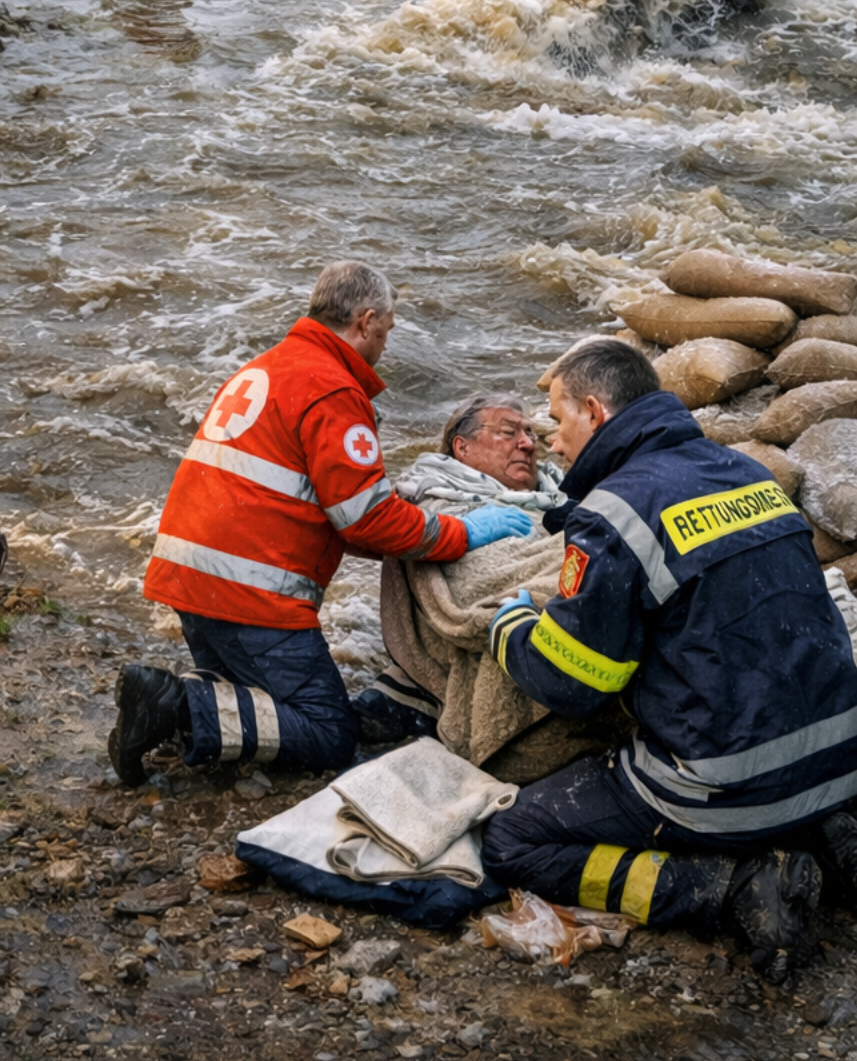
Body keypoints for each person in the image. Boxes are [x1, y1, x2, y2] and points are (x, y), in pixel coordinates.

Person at [483, 337, 857, 983]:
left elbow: (571, 683)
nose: (550, 440)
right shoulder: (747, 475)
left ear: (594, 412)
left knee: (514, 840)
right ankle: (823, 837)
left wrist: (509, 626)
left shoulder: (614, 513)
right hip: (839, 763)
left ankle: (721, 886)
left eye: (554, 419)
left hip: (722, 786)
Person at [108, 262, 536, 785]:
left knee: (258, 700)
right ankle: (172, 705)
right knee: (329, 732)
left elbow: (316, 505)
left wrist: (394, 521)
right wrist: (461, 533)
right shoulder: (333, 388)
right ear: (366, 321)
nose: (386, 343)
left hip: (194, 574)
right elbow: (368, 520)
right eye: (388, 330)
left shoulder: (266, 367)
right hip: (251, 590)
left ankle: (172, 704)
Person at [357, 393, 564, 745]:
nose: (528, 444)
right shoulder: (436, 503)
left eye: (529, 432)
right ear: (462, 448)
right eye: (509, 432)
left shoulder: (563, 496)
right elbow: (479, 594)